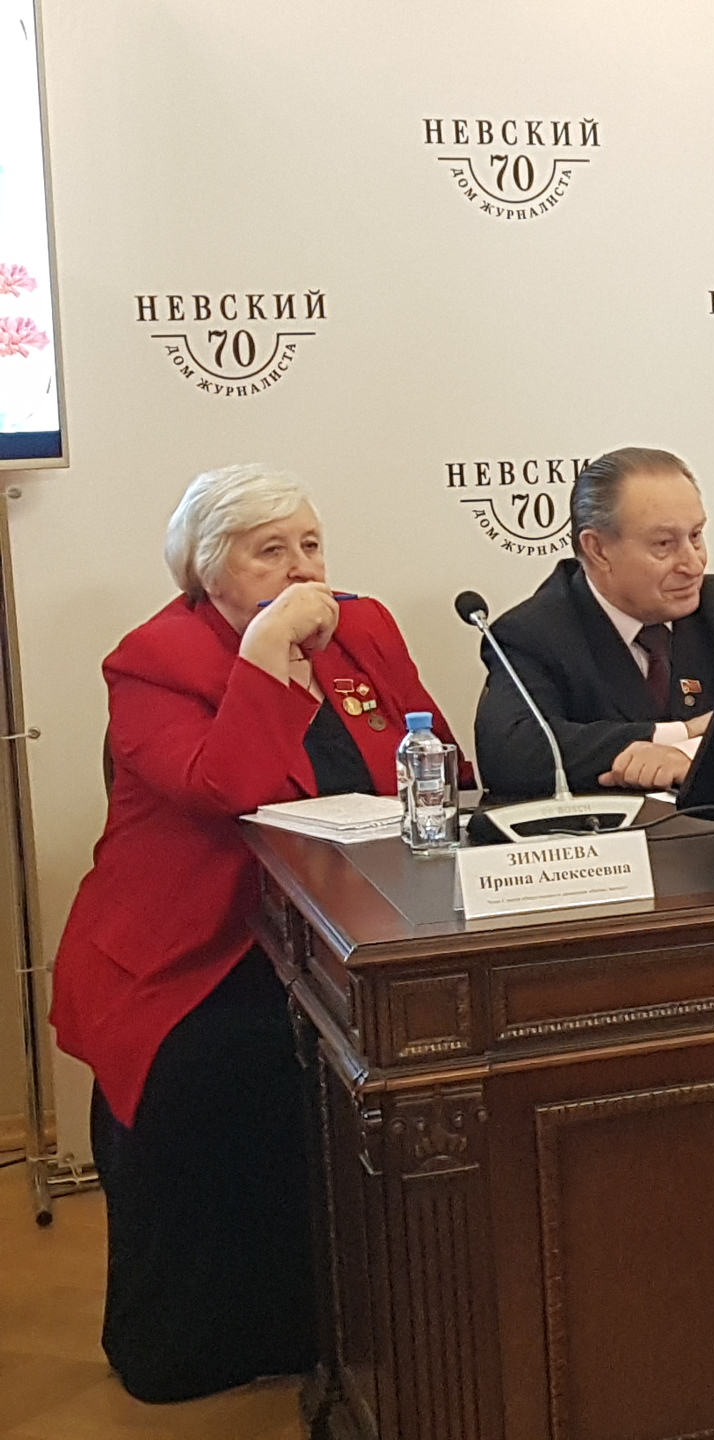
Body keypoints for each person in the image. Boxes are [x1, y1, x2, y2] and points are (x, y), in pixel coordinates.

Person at [49, 464, 466, 1402]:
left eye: (311, 545)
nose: (302, 569)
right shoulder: (154, 660)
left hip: (347, 928)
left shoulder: (362, 627)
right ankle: (207, 1344)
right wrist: (265, 652)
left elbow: (439, 758)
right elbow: (222, 787)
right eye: (269, 551)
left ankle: (364, 1325)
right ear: (206, 568)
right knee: (223, 1067)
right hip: (195, 949)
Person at [473, 446, 714, 794]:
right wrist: (677, 735)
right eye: (664, 544)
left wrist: (688, 756)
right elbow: (512, 752)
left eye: (696, 535)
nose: (694, 564)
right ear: (598, 549)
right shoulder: (534, 632)